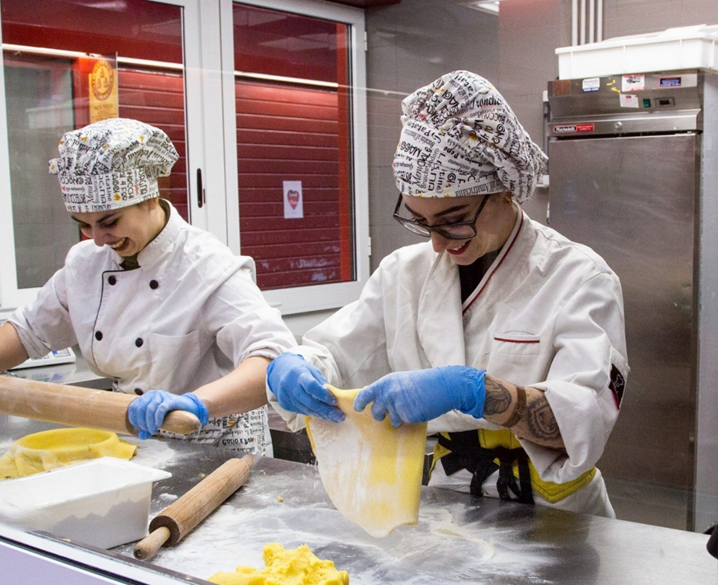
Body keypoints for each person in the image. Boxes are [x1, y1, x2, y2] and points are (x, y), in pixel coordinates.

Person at [267, 71, 628, 516]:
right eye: (421, 221)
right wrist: (298, 367)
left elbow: (584, 421)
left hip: (559, 515)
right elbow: (340, 355)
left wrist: (473, 391)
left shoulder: (578, 279)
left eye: (454, 219)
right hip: (448, 503)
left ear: (504, 190)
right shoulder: (405, 274)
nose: (437, 242)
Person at [0, 118, 296, 456]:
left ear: (150, 199)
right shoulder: (86, 264)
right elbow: (30, 331)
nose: (97, 239)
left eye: (109, 222)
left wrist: (197, 403)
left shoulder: (206, 265)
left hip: (219, 446)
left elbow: (270, 356)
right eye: (83, 224)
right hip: (133, 437)